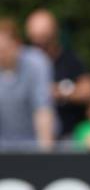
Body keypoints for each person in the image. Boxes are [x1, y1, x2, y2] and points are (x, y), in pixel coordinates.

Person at [25, 9, 90, 138]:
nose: (40, 42)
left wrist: (59, 91)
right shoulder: (23, 62)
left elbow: (89, 90)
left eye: (45, 36)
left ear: (55, 32)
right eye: (36, 37)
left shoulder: (70, 60)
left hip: (68, 136)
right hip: (31, 137)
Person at [0, 18, 54, 149]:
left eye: (4, 49)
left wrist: (46, 155)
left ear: (17, 44)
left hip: (34, 145)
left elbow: (42, 109)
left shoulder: (37, 62)